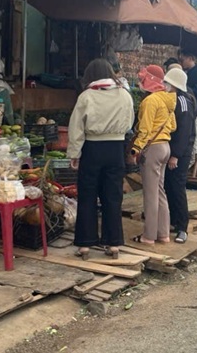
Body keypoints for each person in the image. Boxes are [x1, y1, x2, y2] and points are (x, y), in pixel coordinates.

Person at [67, 59, 135, 260]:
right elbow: (130, 123)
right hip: (116, 149)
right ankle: (113, 244)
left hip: (92, 149)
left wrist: (74, 153)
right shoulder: (125, 95)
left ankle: (85, 245)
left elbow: (76, 127)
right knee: (113, 196)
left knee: (87, 195)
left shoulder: (86, 96)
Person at [127, 64, 176, 245]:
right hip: (165, 146)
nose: (140, 82)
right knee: (160, 191)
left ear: (150, 80)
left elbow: (145, 130)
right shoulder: (168, 99)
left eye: (142, 79)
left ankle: (148, 236)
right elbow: (173, 126)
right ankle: (163, 234)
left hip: (153, 149)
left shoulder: (150, 101)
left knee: (150, 194)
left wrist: (135, 149)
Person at [163, 68, 196, 245]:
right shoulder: (172, 99)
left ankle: (182, 227)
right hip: (172, 150)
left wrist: (175, 155)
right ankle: (173, 220)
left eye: (167, 83)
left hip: (180, 153)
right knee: (169, 185)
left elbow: (184, 133)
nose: (164, 85)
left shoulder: (183, 102)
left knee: (177, 187)